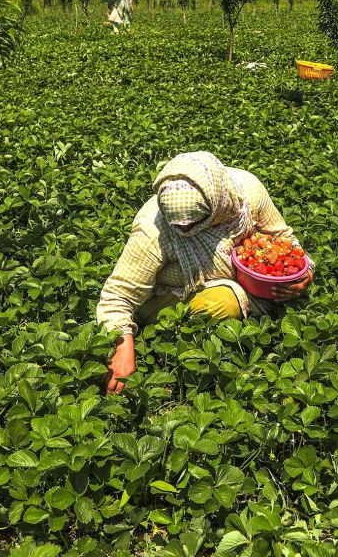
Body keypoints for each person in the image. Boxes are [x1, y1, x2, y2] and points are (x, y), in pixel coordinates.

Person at [97, 151, 314, 394]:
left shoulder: (246, 193)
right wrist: (122, 346)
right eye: (178, 225)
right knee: (224, 303)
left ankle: (251, 308)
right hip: (169, 298)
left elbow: (283, 239)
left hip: (246, 278)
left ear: (217, 205)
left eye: (194, 222)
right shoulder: (153, 230)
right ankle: (180, 347)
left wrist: (303, 273)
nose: (185, 230)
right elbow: (117, 297)